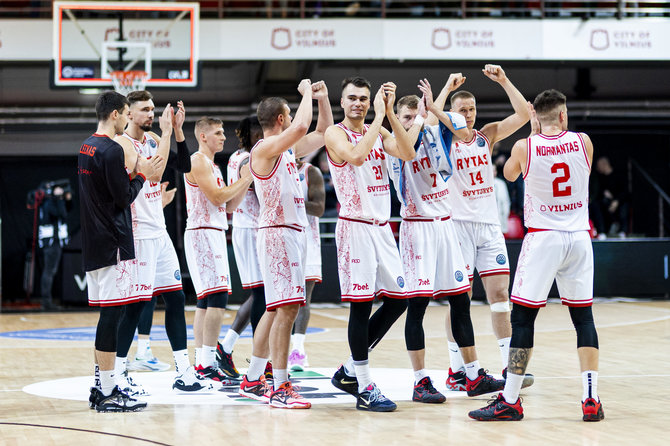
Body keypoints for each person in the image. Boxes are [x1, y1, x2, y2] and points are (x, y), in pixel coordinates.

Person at [469, 89, 604, 422]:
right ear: (562, 115)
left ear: (537, 117)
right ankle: (591, 399)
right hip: (578, 238)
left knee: (523, 319)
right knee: (583, 319)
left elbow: (511, 174)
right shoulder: (584, 142)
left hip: (544, 239)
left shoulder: (525, 147)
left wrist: (531, 134)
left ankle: (511, 399)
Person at [390, 76, 507, 403]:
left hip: (446, 226)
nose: (415, 120)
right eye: (407, 116)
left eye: (417, 114)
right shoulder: (392, 142)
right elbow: (408, 147)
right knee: (417, 307)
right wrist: (417, 120)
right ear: (397, 120)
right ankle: (420, 380)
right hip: (416, 227)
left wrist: (437, 101)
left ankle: (472, 375)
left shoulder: (438, 132)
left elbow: (456, 126)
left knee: (461, 301)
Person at [238, 79, 332, 409]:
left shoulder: (286, 150)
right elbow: (304, 125)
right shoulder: (264, 150)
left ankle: (252, 377)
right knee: (288, 309)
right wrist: (304, 91)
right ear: (280, 119)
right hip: (278, 233)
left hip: (291, 232)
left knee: (277, 308)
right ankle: (280, 386)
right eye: (289, 114)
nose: (293, 119)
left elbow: (322, 132)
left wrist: (321, 98)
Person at [113, 92, 215, 395]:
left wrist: (179, 130)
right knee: (135, 305)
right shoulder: (124, 145)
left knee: (175, 297)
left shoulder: (153, 141)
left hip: (160, 232)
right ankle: (118, 372)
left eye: (152, 109)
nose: (150, 114)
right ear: (128, 114)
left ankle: (184, 371)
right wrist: (168, 132)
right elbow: (155, 170)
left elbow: (182, 165)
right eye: (144, 110)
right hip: (139, 234)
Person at [324, 77, 415, 412]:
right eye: (352, 98)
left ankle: (349, 370)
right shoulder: (335, 133)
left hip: (381, 228)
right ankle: (363, 384)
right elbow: (358, 157)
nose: (358, 103)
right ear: (342, 101)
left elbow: (408, 152)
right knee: (360, 305)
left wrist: (390, 114)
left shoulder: (380, 128)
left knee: (398, 300)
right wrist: (378, 118)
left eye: (364, 98)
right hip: (355, 227)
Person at [444, 64, 532, 389]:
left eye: (471, 109)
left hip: (488, 226)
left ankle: (511, 369)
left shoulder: (488, 135)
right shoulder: (444, 137)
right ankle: (457, 369)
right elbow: (429, 118)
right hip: (458, 227)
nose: (467, 114)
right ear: (451, 112)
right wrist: (442, 94)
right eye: (461, 109)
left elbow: (524, 114)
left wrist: (505, 80)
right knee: (460, 300)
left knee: (500, 297)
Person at [79, 90, 161, 412]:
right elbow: (123, 197)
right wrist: (143, 175)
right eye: (127, 113)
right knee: (111, 316)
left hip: (94, 242)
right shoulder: (112, 150)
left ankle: (101, 385)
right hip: (112, 242)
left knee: (107, 316)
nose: (128, 119)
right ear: (115, 114)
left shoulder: (86, 146)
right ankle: (109, 390)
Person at [183, 116, 254, 382]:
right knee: (217, 299)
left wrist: (246, 180)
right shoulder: (198, 161)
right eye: (218, 132)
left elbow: (230, 206)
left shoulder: (212, 165)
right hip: (203, 233)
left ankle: (203, 362)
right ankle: (208, 362)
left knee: (206, 301)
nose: (224, 137)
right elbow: (217, 197)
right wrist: (244, 177)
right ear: (203, 136)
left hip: (211, 231)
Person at [221, 115, 267, 376]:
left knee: (260, 294)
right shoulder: (248, 160)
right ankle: (260, 360)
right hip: (250, 228)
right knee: (261, 294)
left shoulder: (237, 156)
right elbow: (263, 195)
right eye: (258, 131)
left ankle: (226, 347)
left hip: (248, 227)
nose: (263, 135)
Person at [128, 181, 179, 373]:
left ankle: (142, 351)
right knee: (134, 301)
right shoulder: (130, 159)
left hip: (150, 234)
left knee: (149, 297)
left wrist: (161, 203)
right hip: (136, 236)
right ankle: (122, 359)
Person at [288, 156, 326, 371]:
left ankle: (298, 350)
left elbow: (319, 208)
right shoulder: (273, 166)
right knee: (280, 300)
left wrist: (288, 200)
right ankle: (274, 350)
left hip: (308, 239)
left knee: (304, 298)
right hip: (282, 237)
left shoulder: (311, 172)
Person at [36, 181, 72, 310]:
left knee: (50, 271)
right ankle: (46, 302)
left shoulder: (50, 202)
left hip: (54, 241)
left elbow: (67, 210)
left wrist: (65, 199)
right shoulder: (48, 203)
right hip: (51, 242)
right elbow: (61, 214)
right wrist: (58, 199)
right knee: (49, 271)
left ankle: (47, 301)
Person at [590, 155, 629, 238]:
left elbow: (625, 191)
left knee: (624, 206)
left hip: (619, 202)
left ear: (605, 164)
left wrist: (616, 201)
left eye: (599, 165)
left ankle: (623, 231)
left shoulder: (618, 175)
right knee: (596, 205)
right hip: (606, 203)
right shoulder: (600, 177)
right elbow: (598, 193)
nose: (597, 168)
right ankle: (601, 232)